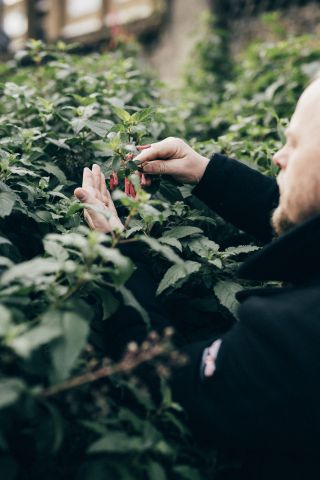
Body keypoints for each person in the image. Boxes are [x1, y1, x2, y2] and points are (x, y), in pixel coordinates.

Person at [74, 78, 320, 479]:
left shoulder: (295, 340)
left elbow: (168, 383)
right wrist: (205, 172)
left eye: (294, 143)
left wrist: (114, 252)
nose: (278, 156)